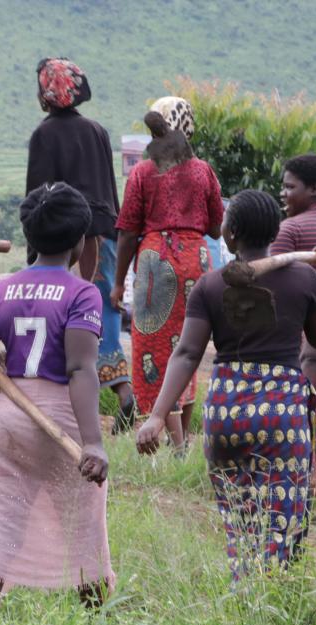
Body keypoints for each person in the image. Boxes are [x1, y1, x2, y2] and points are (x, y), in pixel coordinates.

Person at [136, 190, 316, 579]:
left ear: (229, 236)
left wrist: (158, 416)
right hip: (281, 416)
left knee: (241, 522)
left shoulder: (211, 286)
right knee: (281, 524)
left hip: (226, 415)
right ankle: (270, 605)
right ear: (276, 231)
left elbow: (186, 353)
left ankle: (244, 594)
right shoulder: (303, 280)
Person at [0, 183, 112, 625]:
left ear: (29, 237)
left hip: (11, 415)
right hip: (63, 417)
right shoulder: (83, 294)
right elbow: (81, 369)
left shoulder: (1, 291)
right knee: (82, 525)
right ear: (79, 242)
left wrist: (10, 393)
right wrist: (94, 443)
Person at [25, 58, 134, 432]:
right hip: (104, 235)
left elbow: (38, 196)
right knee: (102, 312)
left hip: (66, 240)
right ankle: (121, 389)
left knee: (66, 315)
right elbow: (110, 192)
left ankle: (69, 401)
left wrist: (33, 252)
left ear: (46, 92)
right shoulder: (97, 130)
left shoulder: (44, 135)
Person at [112, 97, 223, 444]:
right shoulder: (203, 170)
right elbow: (217, 228)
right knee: (187, 346)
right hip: (195, 262)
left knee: (154, 351)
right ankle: (183, 437)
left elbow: (128, 230)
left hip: (155, 262)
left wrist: (117, 283)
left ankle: (172, 442)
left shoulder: (144, 171)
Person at [269, 154, 316, 258]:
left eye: (289, 187)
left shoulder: (290, 229)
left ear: (314, 189)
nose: (282, 193)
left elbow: (274, 274)